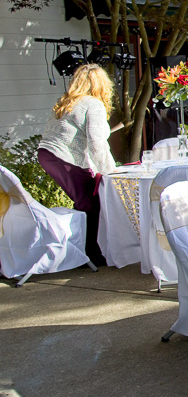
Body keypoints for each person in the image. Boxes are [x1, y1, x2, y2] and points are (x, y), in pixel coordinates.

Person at [37, 64, 118, 265]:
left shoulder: (68, 102)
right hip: (63, 157)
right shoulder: (93, 104)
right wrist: (111, 173)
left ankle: (83, 250)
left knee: (86, 201)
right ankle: (91, 254)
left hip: (47, 154)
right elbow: (97, 143)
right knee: (91, 202)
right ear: (102, 85)